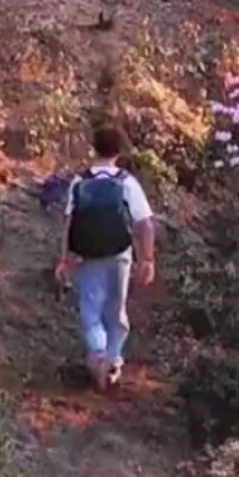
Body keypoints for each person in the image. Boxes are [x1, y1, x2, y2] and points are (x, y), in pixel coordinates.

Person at [55, 125, 155, 390]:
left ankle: (98, 355)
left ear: (94, 148)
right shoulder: (126, 182)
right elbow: (144, 222)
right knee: (116, 309)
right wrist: (147, 259)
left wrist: (64, 259)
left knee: (91, 311)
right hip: (120, 255)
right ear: (119, 151)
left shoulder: (79, 182)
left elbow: (68, 222)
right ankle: (112, 360)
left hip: (88, 257)